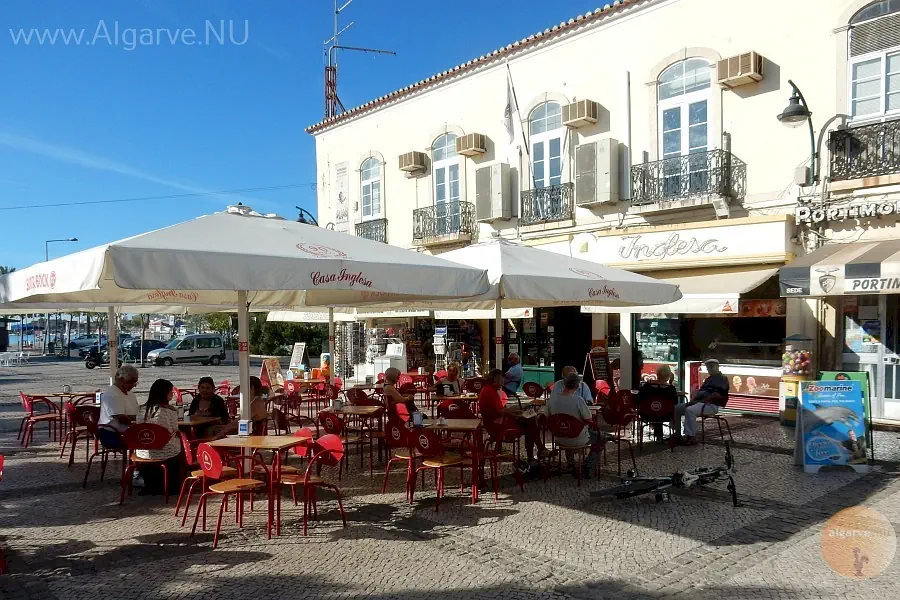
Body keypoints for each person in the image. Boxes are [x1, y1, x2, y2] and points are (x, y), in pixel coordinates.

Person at [479, 369, 546, 465]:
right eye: (502, 380)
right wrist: (517, 414)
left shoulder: (488, 389)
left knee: (529, 423)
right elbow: (501, 411)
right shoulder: (489, 391)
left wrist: (516, 412)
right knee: (530, 424)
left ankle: (538, 451)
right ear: (496, 380)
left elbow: (500, 410)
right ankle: (535, 453)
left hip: (495, 423)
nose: (503, 383)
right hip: (497, 426)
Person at [547, 372, 604, 478]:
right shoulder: (578, 400)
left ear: (564, 384)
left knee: (568, 429)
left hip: (559, 438)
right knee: (600, 438)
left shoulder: (551, 400)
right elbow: (589, 419)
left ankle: (571, 463)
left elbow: (547, 417)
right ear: (577, 386)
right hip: (577, 438)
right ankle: (588, 466)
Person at [136, 379, 182, 496]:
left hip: (143, 451)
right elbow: (174, 430)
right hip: (165, 451)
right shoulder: (169, 411)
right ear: (165, 393)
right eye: (171, 391)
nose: (172, 394)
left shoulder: (141, 409)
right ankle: (173, 484)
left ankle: (149, 484)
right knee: (180, 445)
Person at [673, 359, 729, 445]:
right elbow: (700, 393)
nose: (709, 369)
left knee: (690, 410)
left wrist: (699, 401)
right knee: (676, 408)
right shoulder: (708, 379)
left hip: (711, 405)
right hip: (700, 403)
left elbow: (717, 395)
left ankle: (691, 437)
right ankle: (677, 434)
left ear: (717, 367)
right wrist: (693, 400)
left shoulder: (723, 379)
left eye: (711, 366)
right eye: (708, 367)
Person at [636, 364, 678, 442]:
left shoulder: (647, 386)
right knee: (660, 410)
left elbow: (639, 398)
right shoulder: (671, 389)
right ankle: (660, 436)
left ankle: (657, 433)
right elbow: (675, 403)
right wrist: (670, 382)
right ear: (668, 375)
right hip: (666, 415)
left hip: (647, 414)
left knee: (655, 410)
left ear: (657, 373)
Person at [99, 364, 140, 432]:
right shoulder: (111, 394)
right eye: (131, 381)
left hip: (127, 431)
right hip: (111, 432)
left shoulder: (130, 394)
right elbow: (121, 419)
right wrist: (140, 420)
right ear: (121, 379)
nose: (134, 385)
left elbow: (136, 412)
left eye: (135, 382)